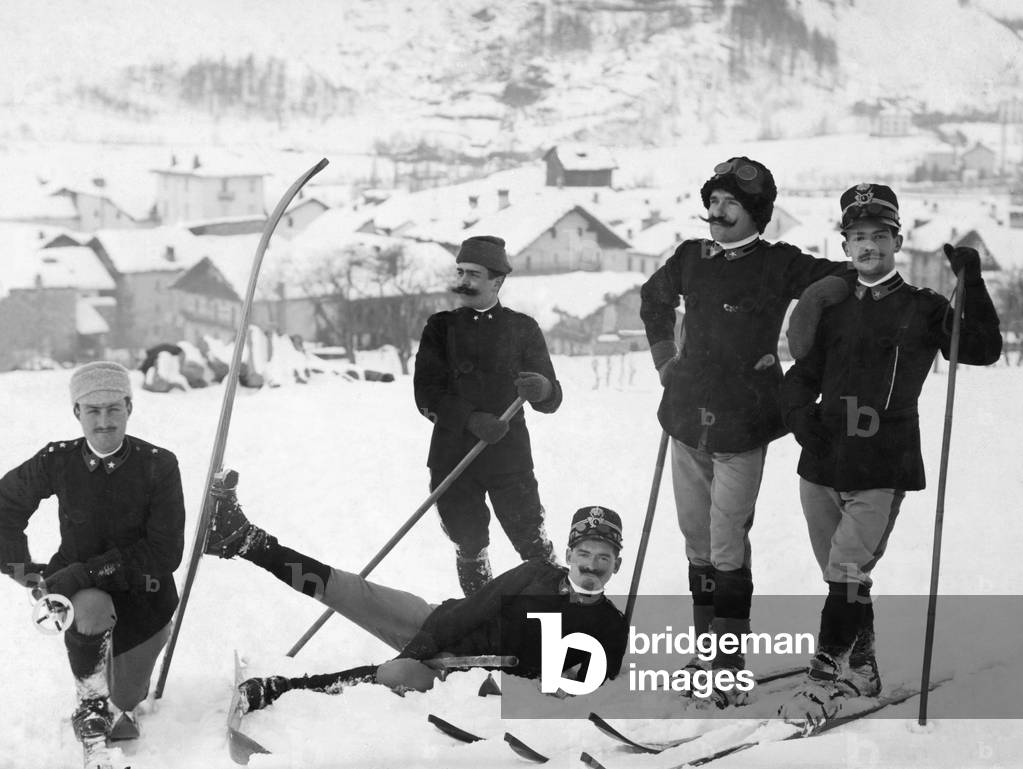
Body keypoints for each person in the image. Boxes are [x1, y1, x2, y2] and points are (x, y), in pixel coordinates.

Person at [777, 183, 1002, 725]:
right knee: (844, 578)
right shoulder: (830, 306)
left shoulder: (923, 308)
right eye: (858, 237)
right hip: (823, 460)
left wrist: (974, 285)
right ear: (845, 243)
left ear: (897, 240)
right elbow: (802, 373)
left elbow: (982, 348)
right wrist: (801, 418)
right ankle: (863, 665)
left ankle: (823, 678)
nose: (869, 246)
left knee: (846, 570)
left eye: (879, 235)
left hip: (882, 460)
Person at [639, 157, 853, 703]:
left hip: (744, 421)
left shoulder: (778, 263)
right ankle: (704, 649)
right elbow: (653, 298)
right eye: (713, 201)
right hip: (687, 418)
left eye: (731, 203)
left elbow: (845, 279)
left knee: (727, 541)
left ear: (757, 211)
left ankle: (728, 660)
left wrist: (805, 335)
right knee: (696, 540)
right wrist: (666, 359)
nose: (718, 211)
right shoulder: (691, 257)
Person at [201, 475, 627, 710]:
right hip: (437, 623)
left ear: (616, 566)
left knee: (393, 676)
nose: (591, 566)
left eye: (603, 559)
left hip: (459, 673)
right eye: (585, 553)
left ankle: (282, 688)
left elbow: (588, 682)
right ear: (569, 552)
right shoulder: (535, 573)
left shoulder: (609, 624)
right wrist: (420, 645)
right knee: (346, 589)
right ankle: (245, 540)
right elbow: (473, 610)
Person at [0, 361, 186, 749]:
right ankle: (90, 702)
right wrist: (22, 570)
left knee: (125, 704)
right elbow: (5, 505)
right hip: (84, 599)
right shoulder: (58, 459)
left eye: (114, 408)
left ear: (129, 408)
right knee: (90, 610)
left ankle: (116, 694)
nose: (104, 421)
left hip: (146, 599)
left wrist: (82, 572)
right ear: (77, 413)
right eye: (93, 410)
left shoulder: (158, 465)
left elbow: (164, 552)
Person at [414, 235, 563, 596]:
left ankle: (561, 614)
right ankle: (481, 618)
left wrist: (541, 387)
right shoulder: (440, 327)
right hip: (453, 459)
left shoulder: (522, 328)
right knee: (469, 546)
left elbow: (552, 397)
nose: (463, 280)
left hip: (509, 460)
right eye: (461, 271)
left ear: (497, 281)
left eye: (473, 274)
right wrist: (470, 419)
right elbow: (425, 393)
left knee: (533, 545)